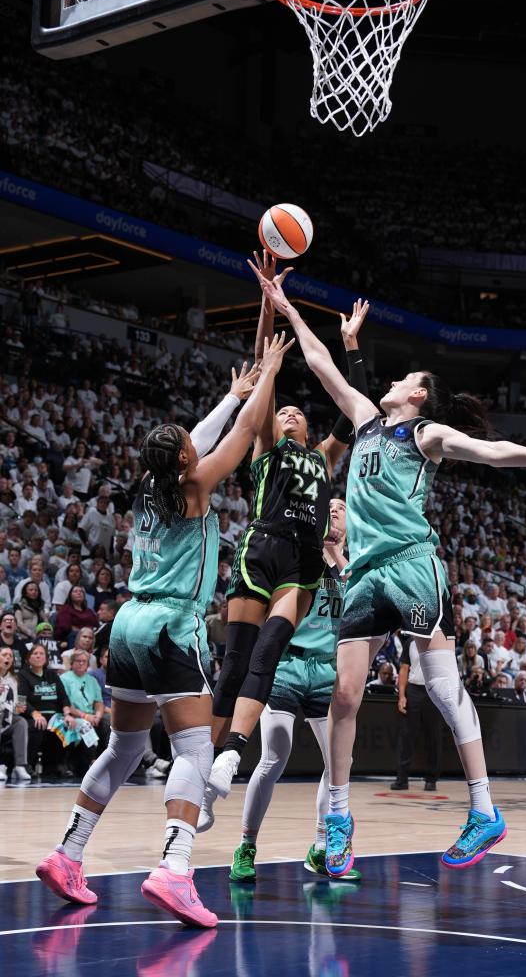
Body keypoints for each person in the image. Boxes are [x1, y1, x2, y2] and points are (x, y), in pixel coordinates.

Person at [255, 265, 526, 876]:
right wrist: (284, 307)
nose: (393, 379)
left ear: (417, 394)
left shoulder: (426, 434)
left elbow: (490, 452)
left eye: (406, 378)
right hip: (363, 576)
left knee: (443, 689)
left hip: (412, 567)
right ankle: (337, 819)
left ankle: (483, 809)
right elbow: (318, 363)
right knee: (343, 697)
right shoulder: (364, 418)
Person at [35, 336, 289, 927]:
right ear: (184, 464)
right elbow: (244, 437)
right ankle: (175, 869)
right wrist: (270, 371)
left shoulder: (150, 482)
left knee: (124, 746)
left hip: (126, 625)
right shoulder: (197, 486)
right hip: (173, 625)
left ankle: (67, 853)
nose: (190, 446)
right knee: (194, 748)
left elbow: (200, 439)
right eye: (185, 447)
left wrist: (230, 394)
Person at [202, 266, 370, 827]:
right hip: (261, 548)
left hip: (300, 564)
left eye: (298, 410)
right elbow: (262, 371)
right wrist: (268, 305)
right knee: (233, 665)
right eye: (284, 409)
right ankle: (205, 771)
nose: (291, 410)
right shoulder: (267, 446)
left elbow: (354, 409)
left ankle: (231, 753)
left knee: (268, 652)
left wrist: (350, 347)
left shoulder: (322, 457)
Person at [226, 498, 361, 884]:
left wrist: (338, 556)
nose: (334, 509)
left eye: (341, 507)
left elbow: (361, 605)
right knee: (274, 756)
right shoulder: (298, 554)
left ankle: (320, 848)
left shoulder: (352, 567)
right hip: (287, 662)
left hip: (326, 670)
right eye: (329, 506)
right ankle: (246, 845)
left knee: (338, 765)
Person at [391, 634, 444, 792]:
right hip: (413, 690)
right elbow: (404, 669)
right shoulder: (410, 642)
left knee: (433, 737)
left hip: (433, 690)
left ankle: (431, 780)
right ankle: (402, 780)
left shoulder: (439, 642)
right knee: (407, 736)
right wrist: (401, 696)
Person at [18, 642, 73, 776]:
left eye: (41, 654)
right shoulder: (23, 675)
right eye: (35, 654)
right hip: (34, 715)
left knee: (68, 725)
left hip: (54, 716)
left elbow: (63, 697)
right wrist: (35, 713)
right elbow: (22, 700)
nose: (38, 656)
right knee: (36, 726)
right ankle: (28, 765)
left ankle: (59, 764)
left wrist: (67, 714)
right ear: (28, 658)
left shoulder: (52, 675)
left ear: (46, 658)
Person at [59, 649, 108, 774]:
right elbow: (66, 704)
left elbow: (99, 702)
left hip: (91, 716)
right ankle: (92, 762)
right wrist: (86, 716)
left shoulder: (91, 680)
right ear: (71, 663)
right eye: (78, 661)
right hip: (72, 715)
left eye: (84, 661)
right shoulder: (64, 678)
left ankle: (109, 762)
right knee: (86, 725)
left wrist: (97, 716)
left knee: (106, 723)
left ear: (88, 664)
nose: (81, 664)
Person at [0, 645, 31, 782]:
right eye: (4, 655)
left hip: (6, 716)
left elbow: (13, 704)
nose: (8, 657)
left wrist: (17, 709)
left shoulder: (13, 679)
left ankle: (19, 766)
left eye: (10, 656)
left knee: (21, 722)